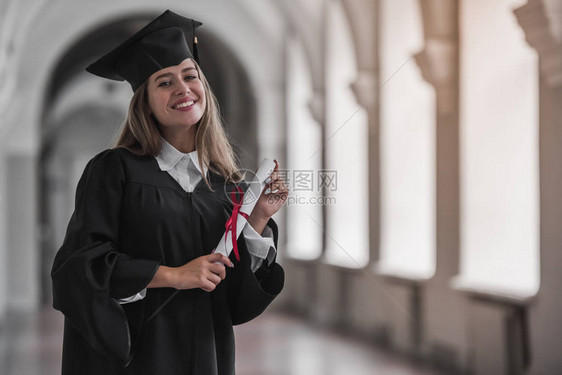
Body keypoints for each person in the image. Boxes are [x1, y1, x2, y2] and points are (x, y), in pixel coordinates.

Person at [51, 9, 288, 375]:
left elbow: (237, 306)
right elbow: (78, 269)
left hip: (207, 357)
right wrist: (174, 275)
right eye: (164, 82)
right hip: (138, 360)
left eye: (189, 76)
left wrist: (257, 219)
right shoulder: (114, 170)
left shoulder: (228, 186)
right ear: (144, 102)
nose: (182, 89)